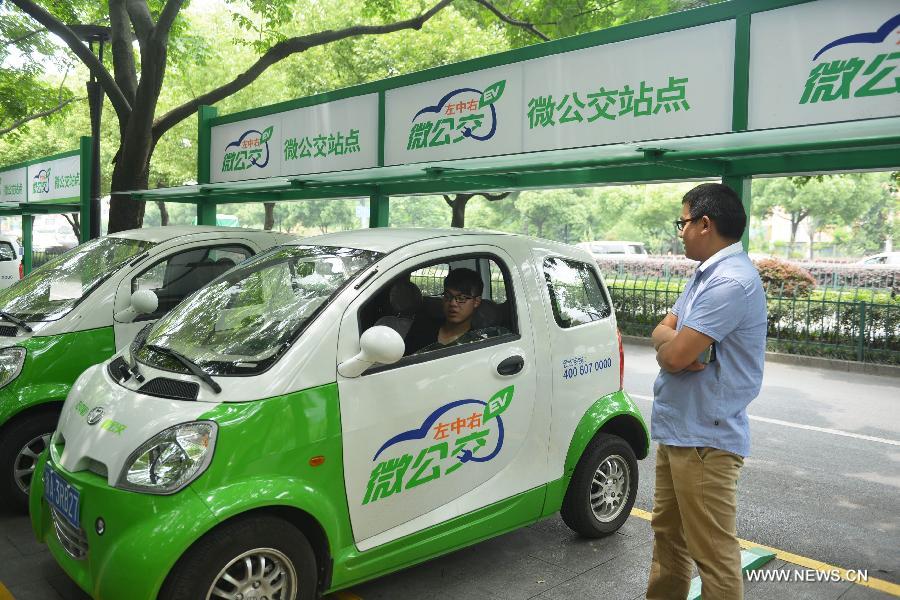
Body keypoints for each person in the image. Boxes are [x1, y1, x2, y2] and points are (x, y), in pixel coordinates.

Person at [646, 183, 767, 600]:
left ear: (704, 223)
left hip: (705, 442)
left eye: (682, 222)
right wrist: (670, 346)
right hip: (682, 431)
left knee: (712, 554)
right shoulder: (706, 276)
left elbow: (675, 355)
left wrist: (669, 351)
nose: (680, 231)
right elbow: (661, 331)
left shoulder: (730, 282)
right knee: (667, 537)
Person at [413, 267, 506, 353]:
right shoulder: (422, 328)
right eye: (448, 296)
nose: (453, 303)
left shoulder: (479, 342)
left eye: (462, 298)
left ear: (476, 301)